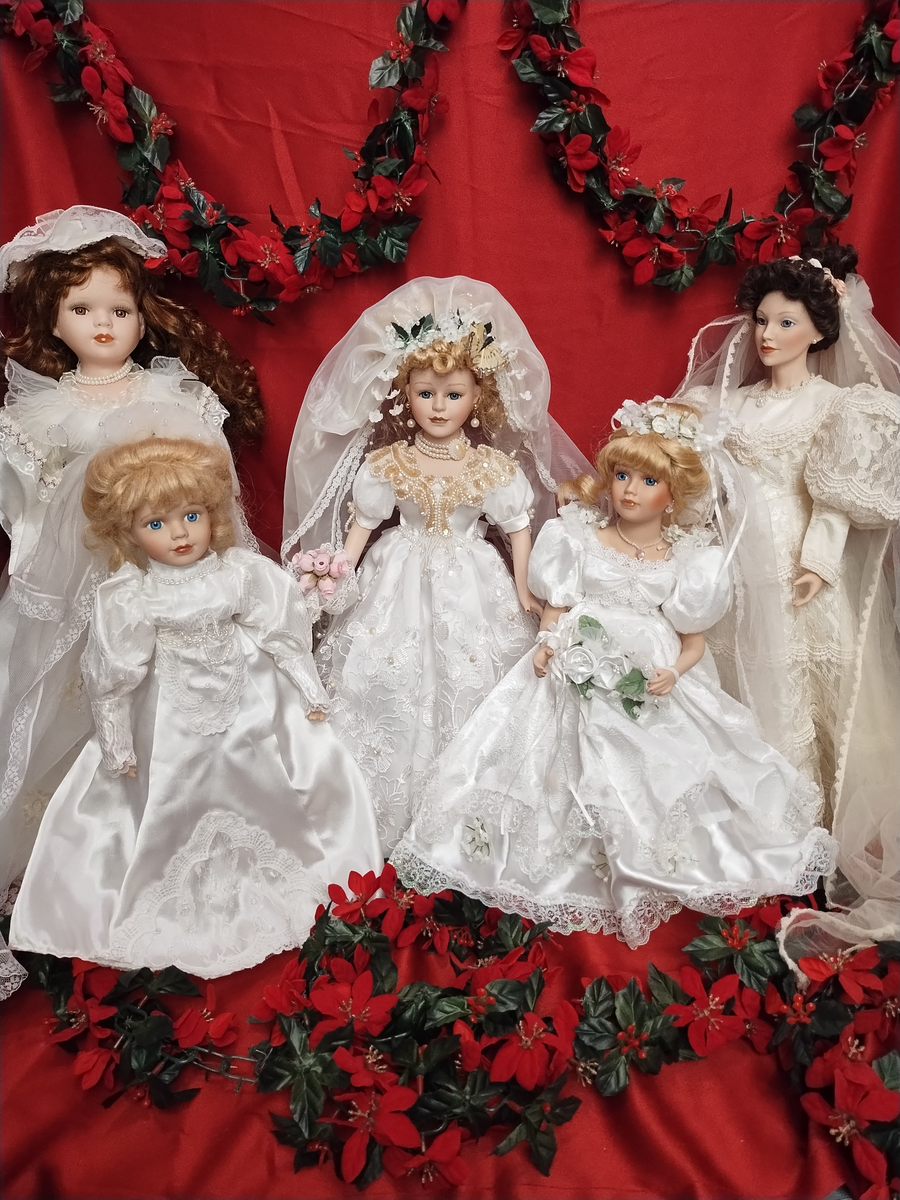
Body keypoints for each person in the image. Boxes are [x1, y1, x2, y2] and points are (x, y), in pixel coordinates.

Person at [391, 401, 837, 947]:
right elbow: (556, 607)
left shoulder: (687, 561)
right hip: (574, 666)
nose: (629, 491)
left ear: (672, 494)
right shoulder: (577, 538)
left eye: (648, 481)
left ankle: (666, 859)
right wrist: (548, 645)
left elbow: (693, 641)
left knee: (663, 765)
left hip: (644, 678)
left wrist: (674, 672)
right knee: (550, 758)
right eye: (622, 476)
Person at [0, 206, 262, 997]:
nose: (104, 323)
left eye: (119, 308)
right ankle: (71, 860)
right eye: (82, 308)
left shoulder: (175, 394)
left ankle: (172, 845)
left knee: (168, 713)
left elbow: (214, 493)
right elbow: (25, 512)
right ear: (53, 320)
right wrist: (42, 578)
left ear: (142, 317)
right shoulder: (37, 413)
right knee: (74, 710)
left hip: (169, 584)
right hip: (78, 589)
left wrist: (225, 574)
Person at [8, 438, 381, 978]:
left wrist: (308, 686)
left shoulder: (239, 573)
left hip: (249, 699)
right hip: (168, 712)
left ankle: (291, 866)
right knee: (167, 792)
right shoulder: (132, 595)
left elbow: (278, 632)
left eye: (191, 516)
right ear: (127, 532)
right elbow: (115, 673)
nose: (180, 534)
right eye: (155, 524)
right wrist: (116, 738)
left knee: (274, 776)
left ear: (211, 514)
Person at [283, 276, 592, 853]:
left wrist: (525, 590)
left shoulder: (492, 468)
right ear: (406, 394)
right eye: (426, 393)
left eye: (454, 394)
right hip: (395, 577)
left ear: (478, 397)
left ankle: (464, 819)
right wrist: (332, 575)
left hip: (474, 580)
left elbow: (517, 529)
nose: (439, 406)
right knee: (382, 678)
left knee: (476, 679)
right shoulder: (388, 463)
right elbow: (361, 532)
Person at [674, 244, 900, 971]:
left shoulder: (835, 405)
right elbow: (698, 476)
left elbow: (833, 497)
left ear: (819, 330)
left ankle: (816, 834)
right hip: (739, 567)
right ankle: (761, 827)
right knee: (747, 689)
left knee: (809, 689)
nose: (767, 334)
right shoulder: (730, 403)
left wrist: (818, 563)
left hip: (798, 564)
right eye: (762, 319)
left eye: (786, 322)